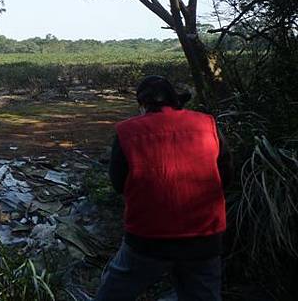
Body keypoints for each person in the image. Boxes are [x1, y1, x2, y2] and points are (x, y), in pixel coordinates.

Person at [95, 75, 233, 301]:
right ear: (175, 100)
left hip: (147, 239)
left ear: (143, 105)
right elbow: (225, 174)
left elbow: (118, 183)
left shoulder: (127, 132)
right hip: (205, 237)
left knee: (113, 293)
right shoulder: (207, 124)